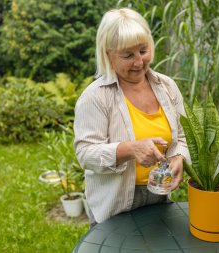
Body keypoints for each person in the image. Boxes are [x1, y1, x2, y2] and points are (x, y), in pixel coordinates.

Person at [73, 8, 190, 227]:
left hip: (160, 196)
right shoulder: (95, 97)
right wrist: (130, 149)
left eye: (143, 50)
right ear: (108, 54)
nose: (139, 62)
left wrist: (178, 158)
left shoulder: (167, 87)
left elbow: (182, 137)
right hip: (115, 204)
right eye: (128, 55)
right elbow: (85, 154)